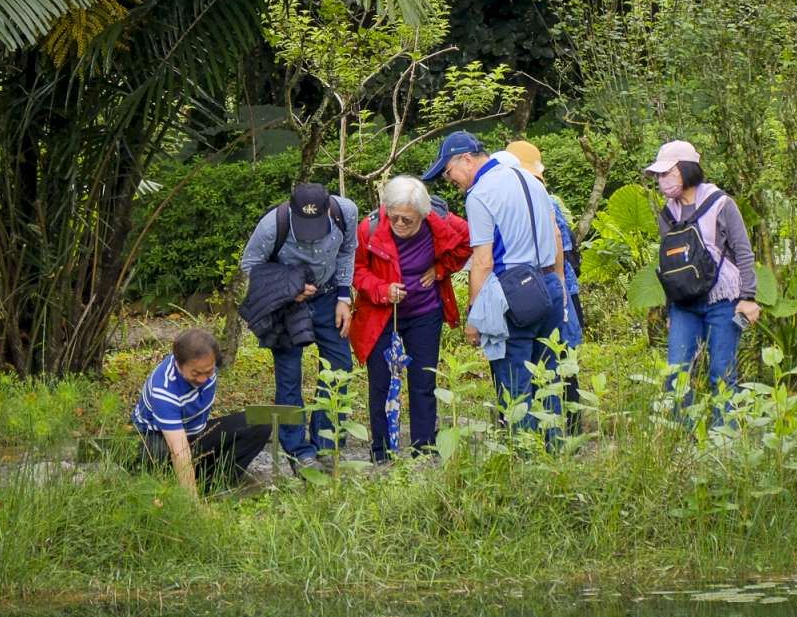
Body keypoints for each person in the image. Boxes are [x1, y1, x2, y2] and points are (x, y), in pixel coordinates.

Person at [423, 131, 566, 431]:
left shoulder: (481, 193)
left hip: (514, 293)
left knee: (515, 383)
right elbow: (555, 237)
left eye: (449, 173)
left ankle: (524, 461)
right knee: (549, 378)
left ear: (466, 159)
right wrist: (561, 285)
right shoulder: (529, 179)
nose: (451, 182)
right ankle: (553, 456)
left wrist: (475, 315)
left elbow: (483, 261)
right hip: (549, 284)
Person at [351, 175, 472, 460]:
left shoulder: (440, 222)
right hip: (381, 316)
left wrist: (441, 269)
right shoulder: (369, 228)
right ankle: (382, 452)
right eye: (394, 218)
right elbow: (356, 271)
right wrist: (382, 289)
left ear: (423, 213)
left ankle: (424, 449)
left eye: (408, 220)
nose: (400, 225)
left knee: (423, 382)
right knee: (380, 384)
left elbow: (468, 243)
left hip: (424, 312)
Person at [239, 182, 359, 469]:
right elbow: (250, 264)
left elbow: (347, 251)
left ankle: (327, 444)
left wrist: (344, 295)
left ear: (329, 210)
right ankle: (298, 451)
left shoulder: (347, 212)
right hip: (288, 306)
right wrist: (288, 288)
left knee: (339, 369)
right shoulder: (272, 226)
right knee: (289, 375)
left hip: (330, 296)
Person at [645, 140, 760, 410]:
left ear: (686, 169)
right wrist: (671, 309)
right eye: (659, 175)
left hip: (723, 300)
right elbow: (671, 265)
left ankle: (725, 438)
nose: (662, 180)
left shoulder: (721, 203)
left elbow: (743, 251)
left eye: (667, 173)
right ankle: (679, 437)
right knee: (676, 373)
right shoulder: (667, 214)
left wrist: (748, 297)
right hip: (685, 303)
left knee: (722, 373)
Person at [505, 141, 585, 427]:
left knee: (552, 358)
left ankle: (562, 423)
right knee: (561, 357)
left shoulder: (542, 202)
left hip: (550, 289)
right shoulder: (546, 198)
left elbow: (560, 244)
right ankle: (568, 422)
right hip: (562, 288)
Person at [132, 328, 270, 494]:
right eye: (196, 373)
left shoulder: (207, 364)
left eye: (209, 372)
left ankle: (213, 484)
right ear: (178, 363)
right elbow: (178, 450)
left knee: (260, 423)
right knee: (158, 454)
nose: (203, 379)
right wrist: (193, 505)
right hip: (158, 439)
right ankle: (181, 489)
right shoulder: (164, 390)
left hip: (194, 434)